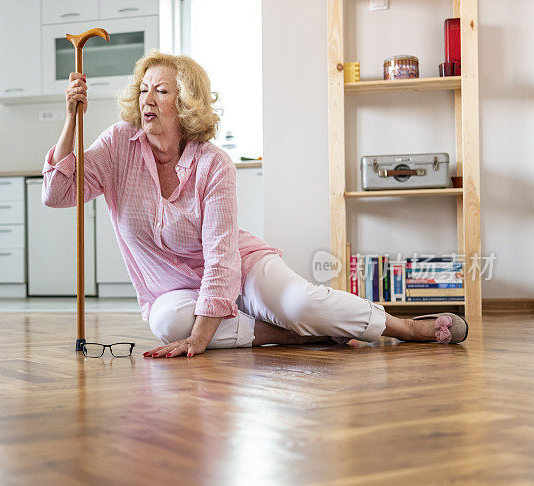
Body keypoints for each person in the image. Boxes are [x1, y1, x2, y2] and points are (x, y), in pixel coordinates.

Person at [42, 50, 467, 358]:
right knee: (169, 324)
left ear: (186, 103)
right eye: (144, 89)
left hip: (238, 267)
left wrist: (203, 337)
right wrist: (70, 121)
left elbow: (222, 260)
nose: (147, 99)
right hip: (171, 290)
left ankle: (406, 327)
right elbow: (57, 193)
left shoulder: (214, 165)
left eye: (162, 91)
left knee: (299, 304)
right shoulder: (119, 145)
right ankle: (294, 336)